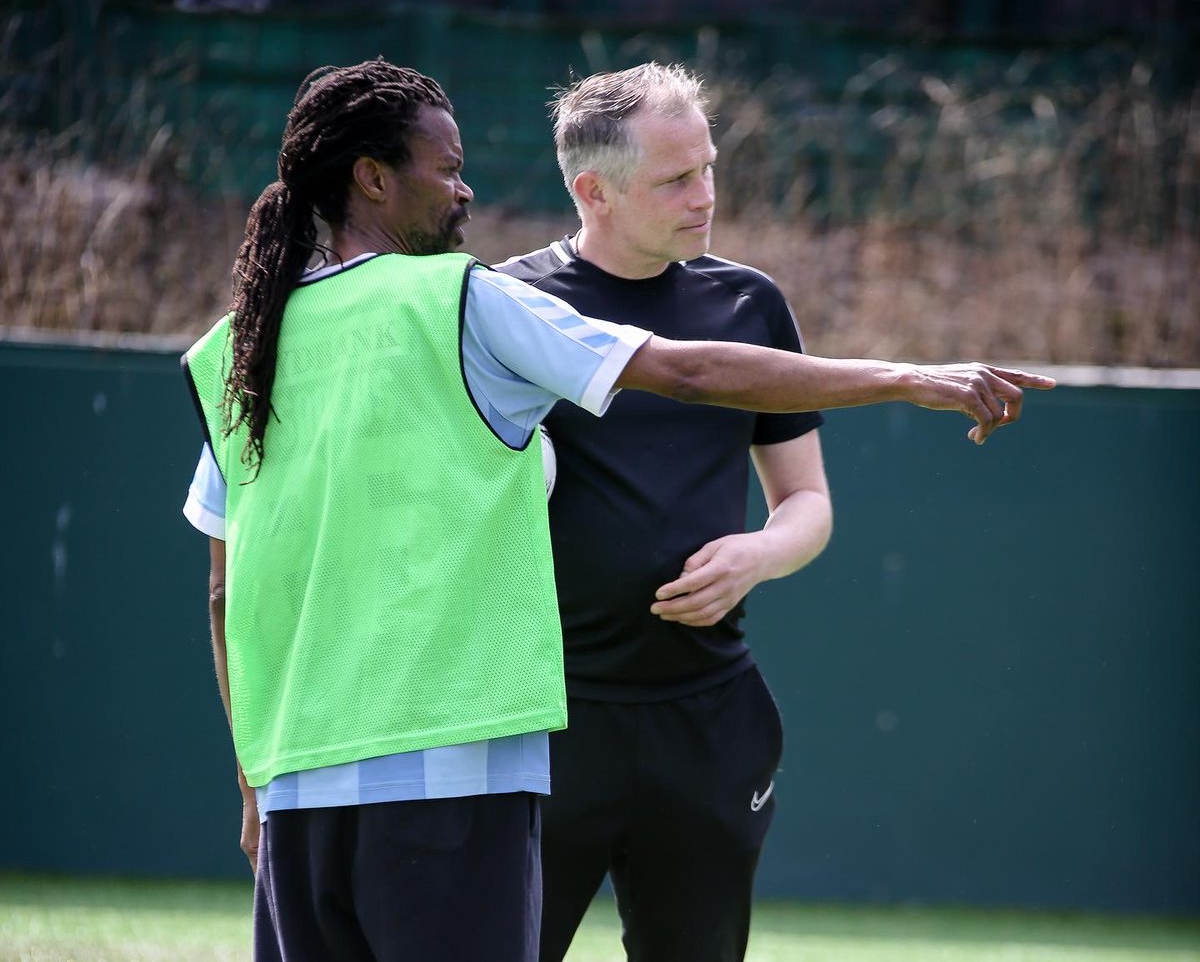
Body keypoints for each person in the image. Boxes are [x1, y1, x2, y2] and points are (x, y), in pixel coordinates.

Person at [180, 59, 1052, 962]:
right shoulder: (464, 301)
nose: (464, 186)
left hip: (299, 780)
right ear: (371, 177)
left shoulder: (238, 345)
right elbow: (690, 370)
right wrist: (912, 378)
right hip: (459, 756)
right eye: (445, 168)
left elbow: (223, 593)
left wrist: (253, 783)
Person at [493, 61, 1015, 962]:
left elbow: (806, 502)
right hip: (540, 721)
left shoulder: (748, 301)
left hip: (709, 719)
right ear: (593, 191)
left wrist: (760, 553)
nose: (706, 195)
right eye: (675, 178)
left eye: (709, 167)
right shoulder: (508, 307)